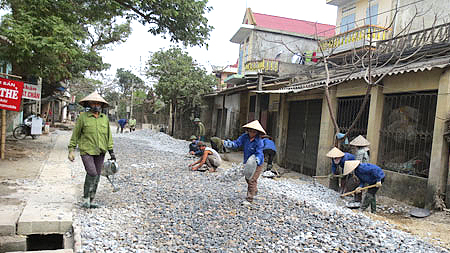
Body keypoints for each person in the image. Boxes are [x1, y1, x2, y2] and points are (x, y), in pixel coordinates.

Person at [68, 91, 115, 208]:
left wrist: (111, 152)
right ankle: (85, 198)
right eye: (93, 103)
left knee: (98, 175)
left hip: (101, 151)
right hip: (86, 150)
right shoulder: (83, 118)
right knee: (92, 173)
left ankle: (92, 199)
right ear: (89, 104)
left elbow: (108, 136)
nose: (96, 105)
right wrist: (71, 150)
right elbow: (75, 135)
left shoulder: (104, 118)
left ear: (101, 105)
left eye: (98, 103)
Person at [223, 120, 265, 204]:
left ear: (257, 132)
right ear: (248, 130)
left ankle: (249, 199)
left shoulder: (259, 141)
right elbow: (237, 143)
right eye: (250, 131)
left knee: (252, 179)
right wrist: (230, 144)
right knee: (247, 177)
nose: (251, 133)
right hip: (247, 161)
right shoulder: (244, 137)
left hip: (257, 163)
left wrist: (257, 159)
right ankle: (254, 190)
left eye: (254, 131)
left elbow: (259, 152)